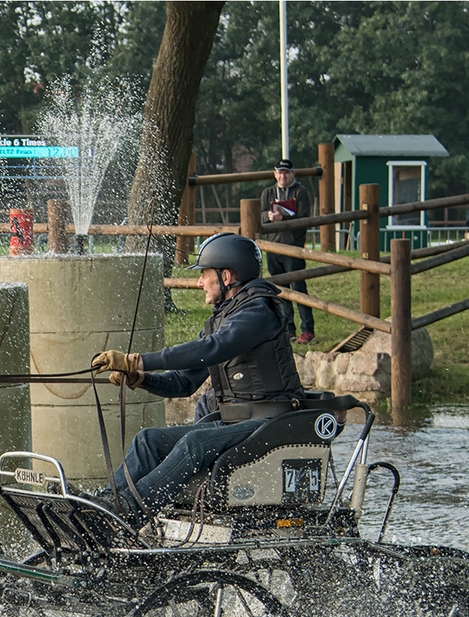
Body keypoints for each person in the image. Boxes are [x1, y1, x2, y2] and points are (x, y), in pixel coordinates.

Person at [90, 233, 305, 529]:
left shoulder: (258, 312)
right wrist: (140, 377)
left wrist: (137, 359)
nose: (199, 282)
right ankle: (100, 505)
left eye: (204, 274)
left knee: (195, 441)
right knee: (147, 441)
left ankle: (127, 509)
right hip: (236, 423)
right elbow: (184, 383)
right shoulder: (224, 319)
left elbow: (212, 348)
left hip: (270, 423)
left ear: (226, 276)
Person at [260, 158, 316, 345]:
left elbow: (304, 218)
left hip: (293, 248)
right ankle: (287, 329)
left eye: (286, 172)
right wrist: (268, 216)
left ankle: (307, 330)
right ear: (275, 174)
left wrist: (282, 217)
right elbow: (258, 215)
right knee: (280, 291)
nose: (283, 176)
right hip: (273, 247)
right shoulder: (267, 192)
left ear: (293, 174)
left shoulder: (301, 193)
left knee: (299, 288)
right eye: (280, 172)